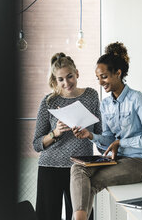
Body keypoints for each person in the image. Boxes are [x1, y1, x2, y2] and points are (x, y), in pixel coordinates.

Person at [70, 42, 142, 220]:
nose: (100, 82)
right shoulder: (105, 104)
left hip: (138, 163)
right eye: (98, 78)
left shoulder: (137, 99)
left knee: (93, 182)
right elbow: (108, 140)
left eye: (104, 76)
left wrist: (122, 143)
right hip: (115, 160)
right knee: (77, 169)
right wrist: (91, 136)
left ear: (118, 73)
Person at [33, 53, 102, 220]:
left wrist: (88, 134)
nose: (66, 83)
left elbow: (100, 134)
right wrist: (55, 133)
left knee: (82, 217)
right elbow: (36, 144)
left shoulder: (91, 96)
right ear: (55, 81)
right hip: (50, 167)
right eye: (61, 79)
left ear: (77, 73)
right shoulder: (48, 102)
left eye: (70, 76)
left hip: (80, 168)